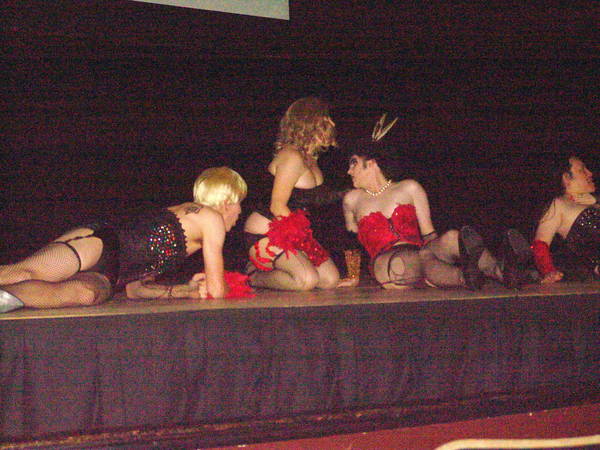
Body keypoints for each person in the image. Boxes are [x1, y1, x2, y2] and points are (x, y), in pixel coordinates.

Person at [0, 167, 250, 313]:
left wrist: (187, 291)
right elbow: (217, 291)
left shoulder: (192, 226)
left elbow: (135, 289)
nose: (240, 213)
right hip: (101, 243)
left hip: (112, 274)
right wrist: (225, 285)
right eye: (240, 203)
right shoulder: (210, 218)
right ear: (227, 201)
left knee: (85, 295)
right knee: (24, 272)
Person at [342, 114, 530, 290]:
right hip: (387, 264)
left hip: (420, 251)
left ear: (372, 163)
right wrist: (353, 275)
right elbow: (351, 244)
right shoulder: (352, 199)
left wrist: (443, 249)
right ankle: (466, 277)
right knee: (422, 256)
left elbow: (429, 235)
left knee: (452, 237)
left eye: (353, 163)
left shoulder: (410, 188)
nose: (349, 171)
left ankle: (502, 273)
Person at [243, 97, 343, 291]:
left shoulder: (311, 158)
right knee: (306, 280)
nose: (332, 124)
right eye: (326, 119)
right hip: (266, 233)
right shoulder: (291, 157)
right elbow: (277, 206)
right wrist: (302, 240)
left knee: (330, 280)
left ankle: (289, 267)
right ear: (310, 123)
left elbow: (315, 199)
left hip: (293, 231)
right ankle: (253, 275)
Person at [533, 155, 598, 283]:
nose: (590, 173)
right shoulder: (559, 204)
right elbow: (540, 244)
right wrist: (548, 270)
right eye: (582, 170)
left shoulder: (595, 202)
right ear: (566, 178)